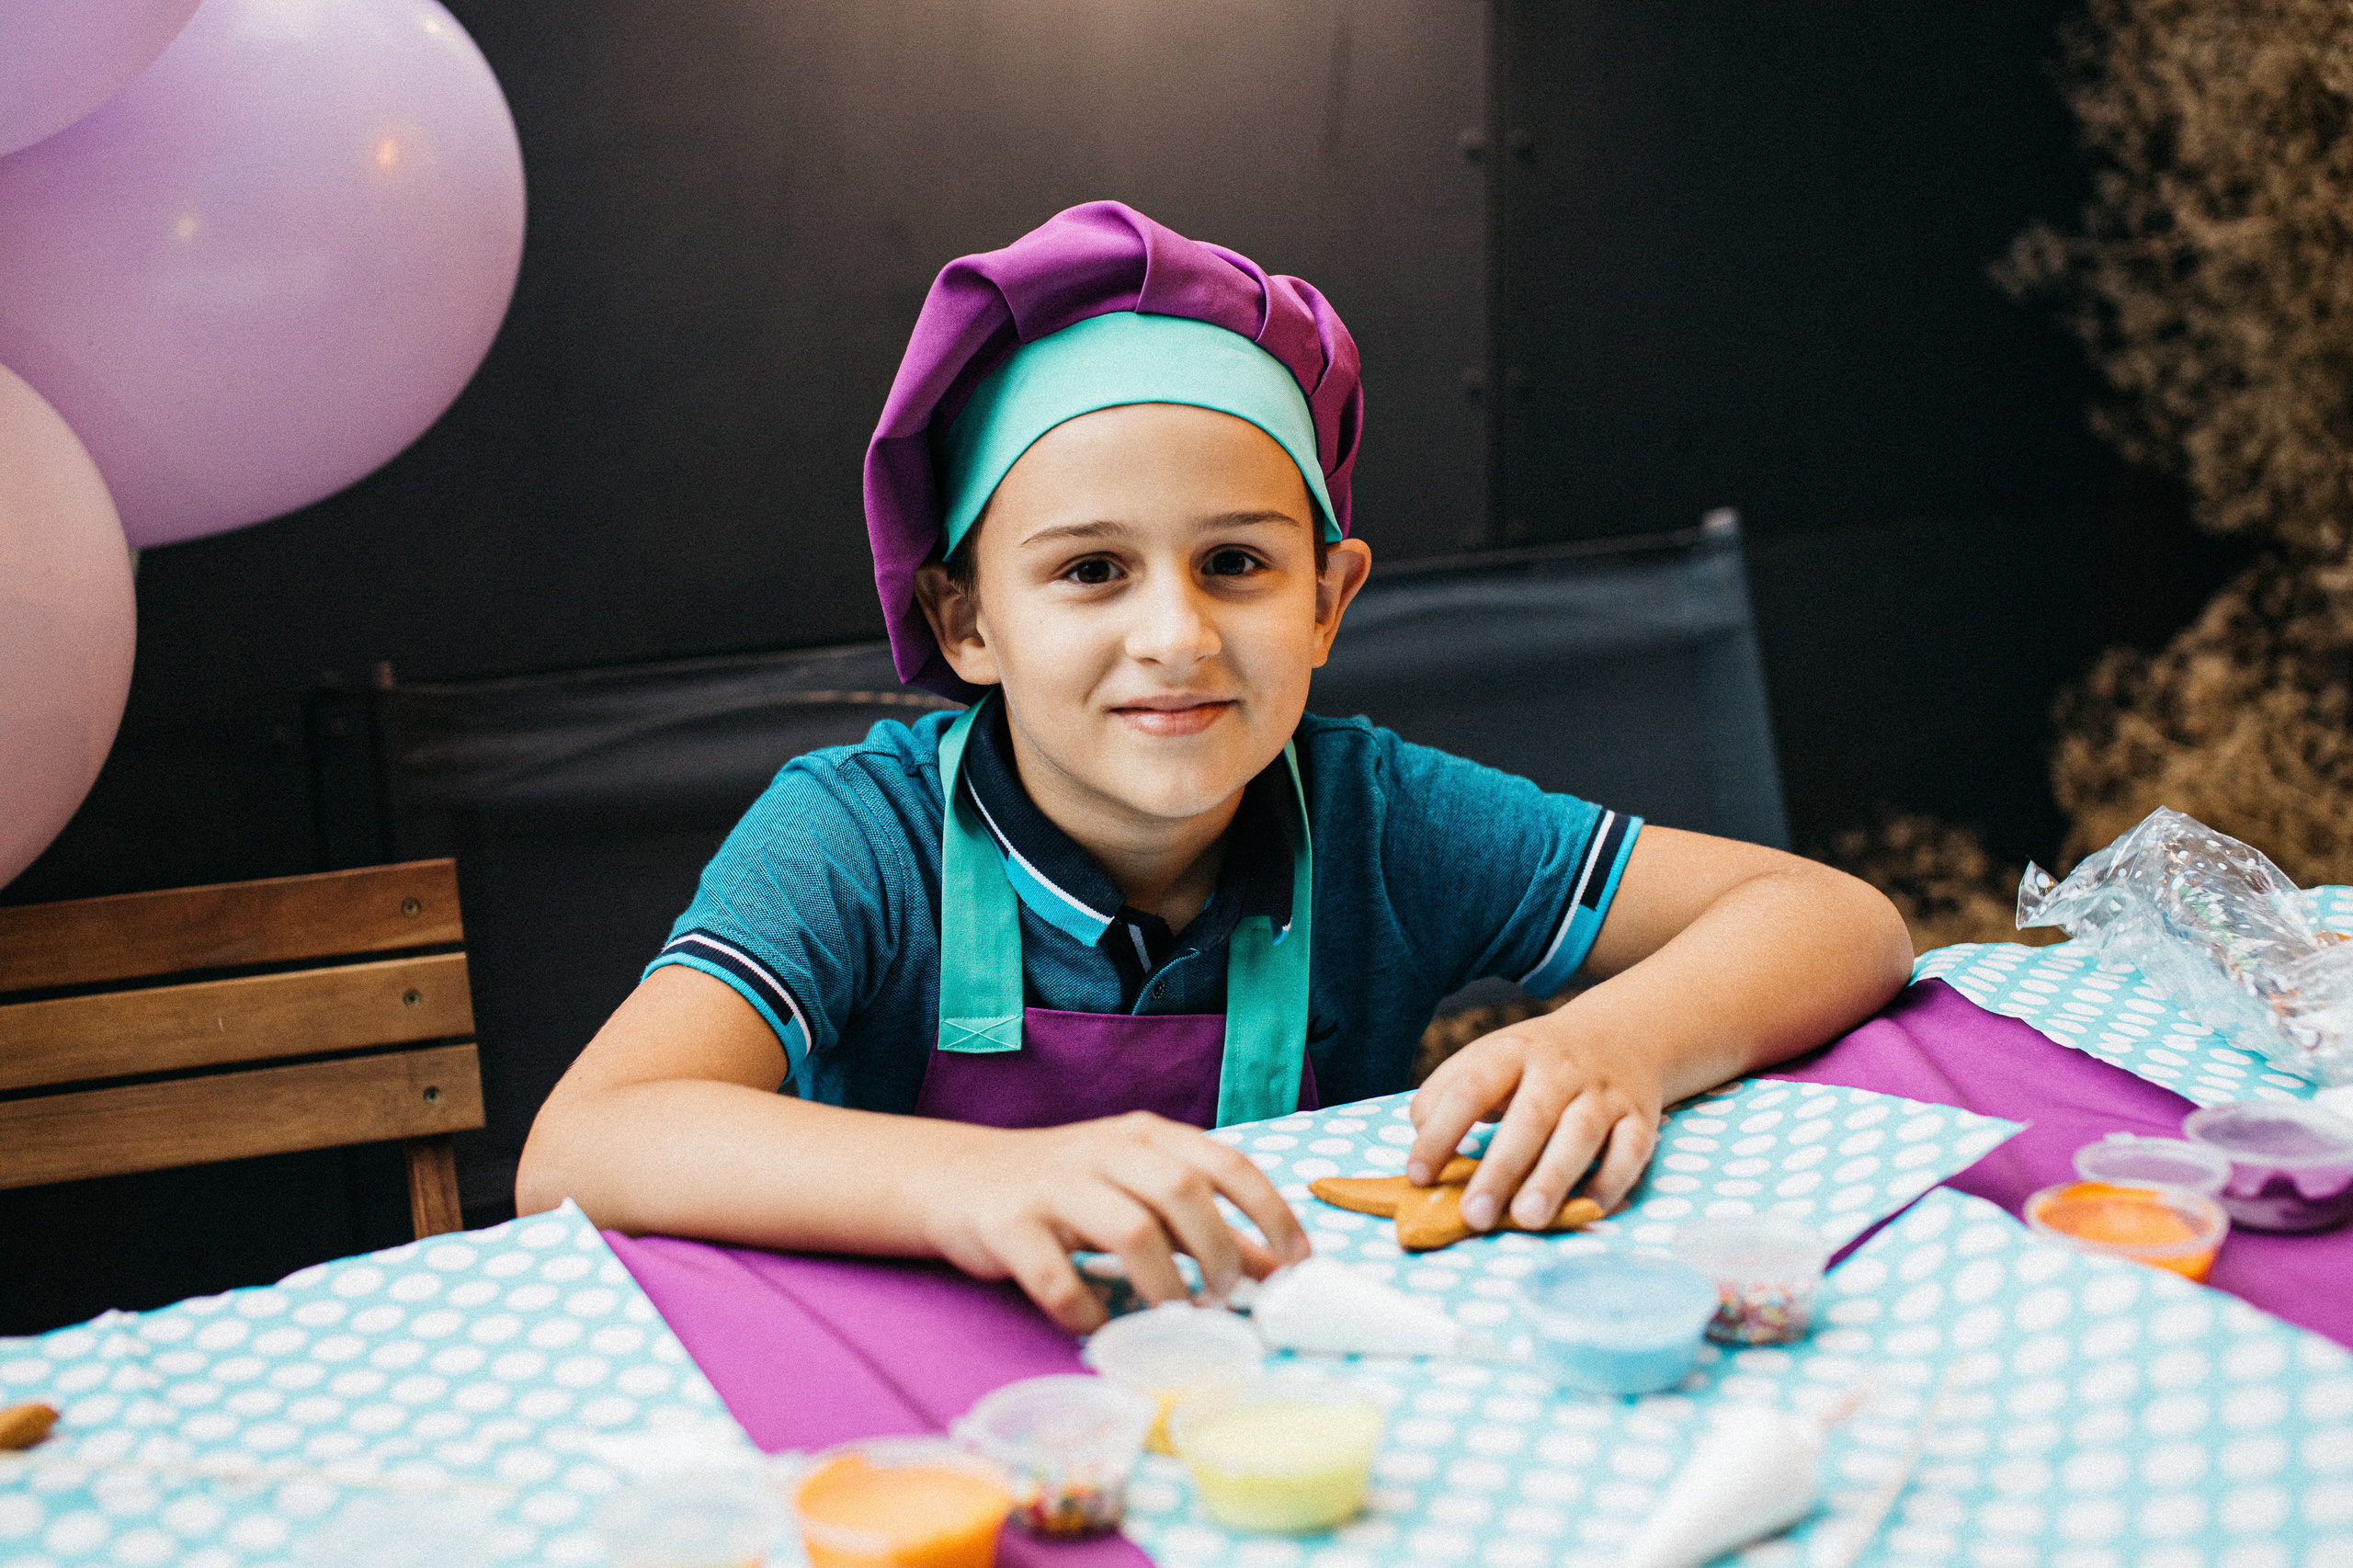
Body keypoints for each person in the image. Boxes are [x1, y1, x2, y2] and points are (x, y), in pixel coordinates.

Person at [516, 202, 1913, 1331]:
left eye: (1236, 563)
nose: (1174, 635)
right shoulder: (854, 838)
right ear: (967, 619)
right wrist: (976, 1182)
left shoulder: (1384, 819)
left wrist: (1614, 1038)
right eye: (1091, 570)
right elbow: (580, 1146)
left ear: (1327, 598)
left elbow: (1841, 921)